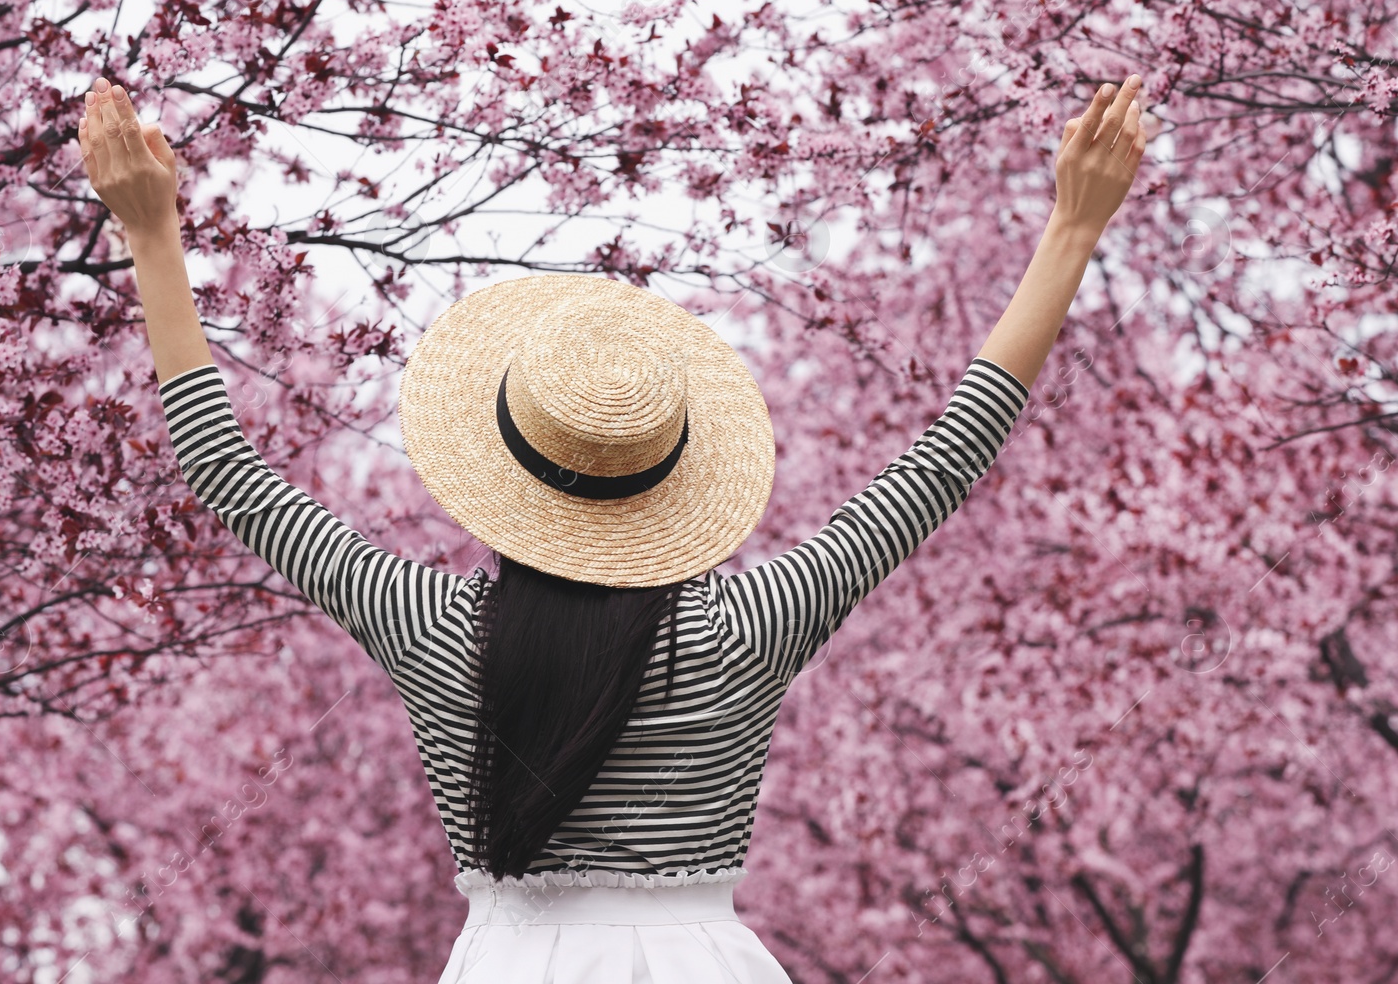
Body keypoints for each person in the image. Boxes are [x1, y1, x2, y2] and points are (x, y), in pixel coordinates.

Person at [77, 71, 1148, 981]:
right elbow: (944, 458)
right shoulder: (748, 623)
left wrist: (152, 232)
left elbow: (229, 471)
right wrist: (1071, 228)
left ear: (503, 470)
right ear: (674, 479)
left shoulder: (432, 625)